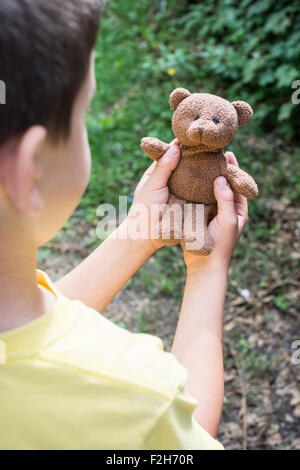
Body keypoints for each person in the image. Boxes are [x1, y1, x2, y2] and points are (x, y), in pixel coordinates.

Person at [0, 0, 249, 450]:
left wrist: (141, 229)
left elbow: (32, 321)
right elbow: (191, 438)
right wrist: (207, 269)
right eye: (83, 114)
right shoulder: (134, 395)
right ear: (30, 168)